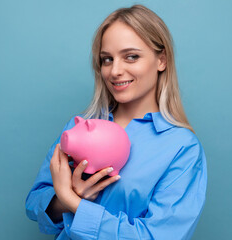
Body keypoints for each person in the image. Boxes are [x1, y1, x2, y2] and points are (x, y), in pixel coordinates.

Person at [25, 4, 207, 240]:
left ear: (161, 60)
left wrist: (75, 203)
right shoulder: (79, 126)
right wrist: (61, 200)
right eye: (107, 59)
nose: (115, 71)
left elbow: (160, 236)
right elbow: (34, 204)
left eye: (131, 56)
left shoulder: (182, 148)